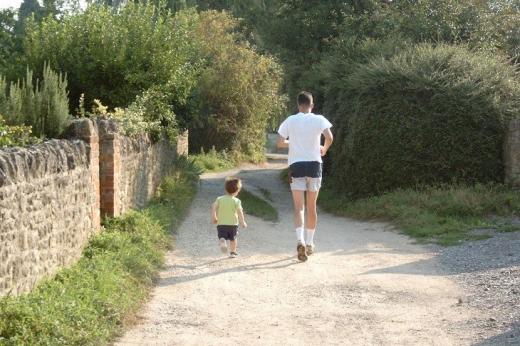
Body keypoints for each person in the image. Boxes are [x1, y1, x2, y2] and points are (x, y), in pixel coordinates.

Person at [277, 91, 333, 262]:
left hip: (296, 165)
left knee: (299, 208)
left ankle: (299, 240)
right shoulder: (319, 119)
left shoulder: (291, 120)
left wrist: (291, 142)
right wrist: (324, 148)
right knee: (312, 207)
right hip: (315, 165)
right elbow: (329, 137)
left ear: (298, 104)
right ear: (312, 105)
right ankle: (309, 243)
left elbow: (279, 143)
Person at [211, 177, 247, 258]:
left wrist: (214, 217)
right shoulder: (237, 201)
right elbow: (240, 212)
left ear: (225, 189)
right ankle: (233, 252)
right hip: (233, 224)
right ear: (237, 191)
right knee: (233, 239)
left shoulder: (219, 199)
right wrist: (242, 222)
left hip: (221, 224)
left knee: (222, 236)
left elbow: (213, 207)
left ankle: (222, 240)